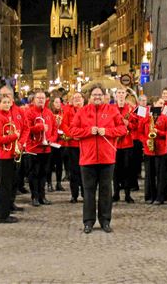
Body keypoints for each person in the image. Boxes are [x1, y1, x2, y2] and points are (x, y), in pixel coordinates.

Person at [70, 84, 127, 234]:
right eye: (94, 95)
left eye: (99, 95)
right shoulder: (82, 112)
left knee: (106, 191)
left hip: (107, 158)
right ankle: (88, 221)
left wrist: (107, 131)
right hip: (87, 159)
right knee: (88, 192)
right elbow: (72, 130)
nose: (97, 97)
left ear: (104, 97)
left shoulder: (112, 111)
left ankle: (105, 220)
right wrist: (88, 131)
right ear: (89, 97)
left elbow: (122, 129)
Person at [0, 95, 24, 223]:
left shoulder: (6, 116)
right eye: (4, 102)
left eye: (8, 102)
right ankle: (2, 215)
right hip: (3, 156)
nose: (7, 105)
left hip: (8, 154)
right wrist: (14, 136)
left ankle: (5, 212)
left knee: (7, 186)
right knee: (4, 187)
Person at [25, 90, 57, 206]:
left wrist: (51, 140)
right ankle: (35, 197)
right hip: (34, 148)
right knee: (34, 174)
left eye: (42, 98)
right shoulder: (29, 113)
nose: (40, 100)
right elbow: (27, 128)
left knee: (44, 173)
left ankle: (42, 196)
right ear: (34, 100)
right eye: (38, 98)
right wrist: (40, 127)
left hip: (46, 148)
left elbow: (54, 130)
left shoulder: (49, 113)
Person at [141, 97, 167, 205]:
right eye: (160, 103)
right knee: (149, 174)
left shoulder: (165, 118)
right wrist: (145, 141)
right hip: (149, 149)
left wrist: (158, 132)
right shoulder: (146, 117)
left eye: (163, 103)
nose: (162, 105)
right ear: (154, 104)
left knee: (161, 174)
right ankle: (149, 196)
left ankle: (160, 197)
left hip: (161, 149)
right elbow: (140, 132)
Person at [112, 87, 138, 203]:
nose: (121, 95)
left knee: (128, 170)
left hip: (127, 143)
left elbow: (137, 124)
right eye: (119, 93)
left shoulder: (131, 108)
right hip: (115, 144)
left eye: (122, 93)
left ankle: (127, 194)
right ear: (116, 95)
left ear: (126, 95)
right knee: (116, 170)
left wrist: (129, 124)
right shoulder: (111, 108)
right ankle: (116, 193)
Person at [61, 92, 85, 203]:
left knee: (85, 171)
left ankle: (86, 194)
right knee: (73, 171)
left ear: (83, 100)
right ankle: (74, 195)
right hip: (72, 145)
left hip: (84, 145)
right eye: (75, 98)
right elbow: (64, 125)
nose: (77, 99)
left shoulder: (87, 110)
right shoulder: (68, 111)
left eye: (79, 97)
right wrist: (71, 135)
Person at [47, 96, 66, 192]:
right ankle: (49, 183)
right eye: (56, 102)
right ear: (52, 103)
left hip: (61, 141)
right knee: (50, 164)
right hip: (51, 142)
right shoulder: (49, 113)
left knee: (59, 164)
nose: (58, 104)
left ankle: (59, 183)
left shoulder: (63, 113)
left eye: (59, 102)